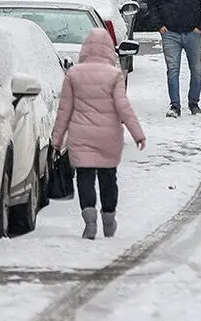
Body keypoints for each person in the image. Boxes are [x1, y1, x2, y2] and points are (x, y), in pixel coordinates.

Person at [51, 28, 147, 240]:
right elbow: (124, 108)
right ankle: (109, 218)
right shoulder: (114, 75)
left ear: (86, 49)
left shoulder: (73, 75)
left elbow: (64, 110)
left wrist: (57, 139)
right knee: (108, 177)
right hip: (108, 137)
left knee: (84, 177)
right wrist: (137, 133)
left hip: (80, 136)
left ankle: (90, 220)